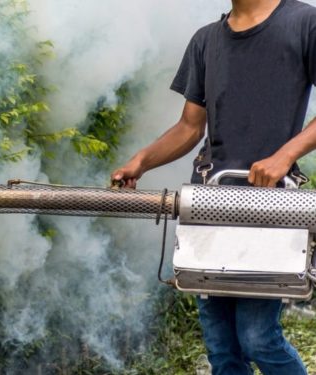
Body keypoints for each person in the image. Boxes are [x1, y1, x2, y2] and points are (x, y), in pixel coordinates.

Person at [111, 0, 316, 373]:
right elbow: (190, 127)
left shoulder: (305, 22)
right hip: (208, 202)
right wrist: (141, 160)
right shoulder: (206, 41)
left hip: (270, 204)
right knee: (222, 348)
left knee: (258, 338)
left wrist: (283, 156)